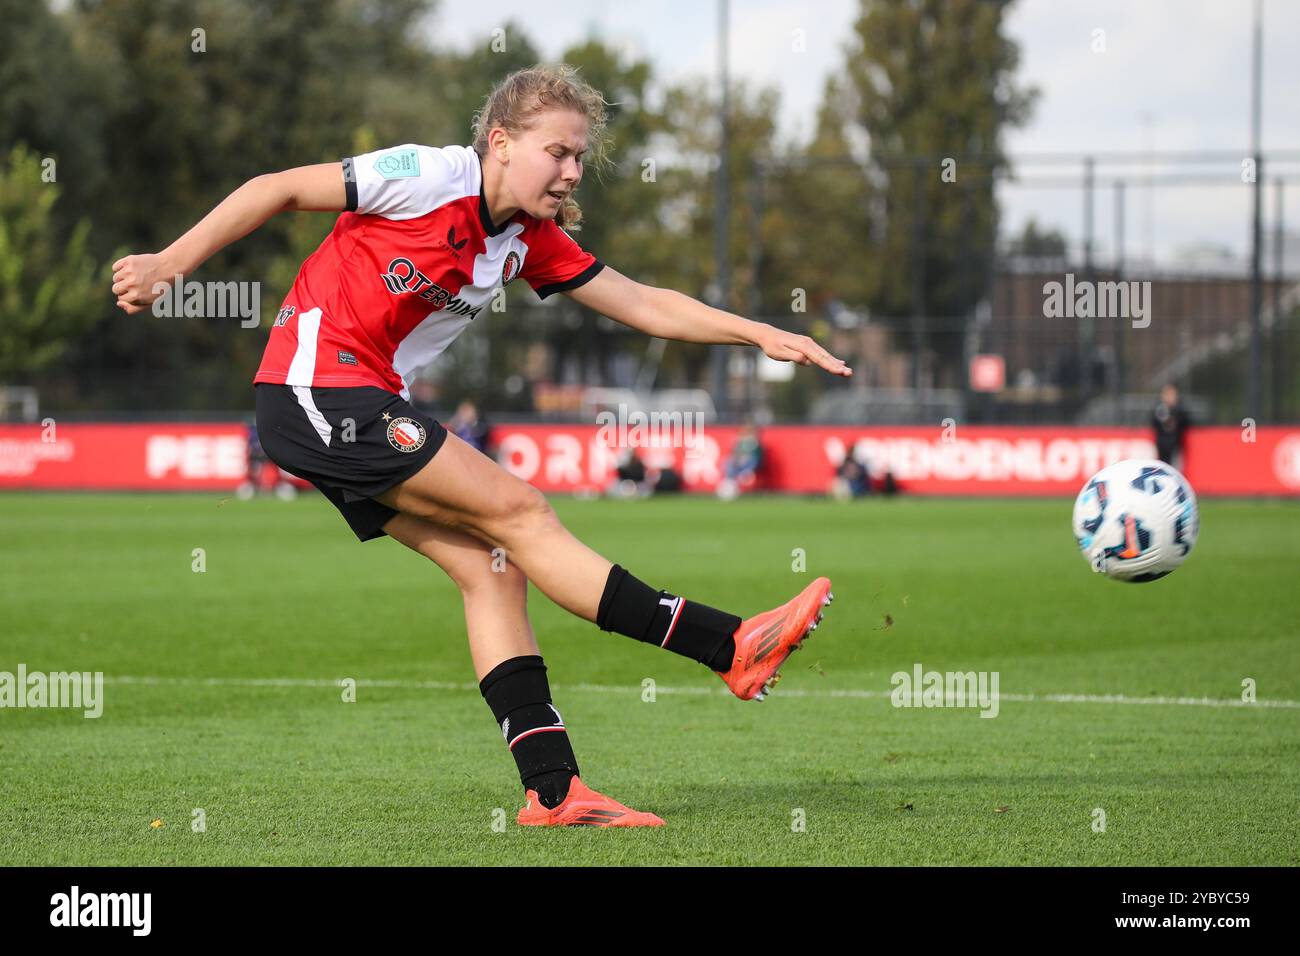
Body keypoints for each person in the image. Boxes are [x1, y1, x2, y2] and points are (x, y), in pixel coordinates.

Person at [110, 64, 850, 829]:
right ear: (500, 142)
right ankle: (726, 644)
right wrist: (173, 263)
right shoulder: (429, 174)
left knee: (493, 571)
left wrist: (759, 332)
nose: (571, 171)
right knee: (521, 511)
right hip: (316, 389)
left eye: (578, 157)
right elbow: (276, 187)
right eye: (557, 152)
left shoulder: (528, 241)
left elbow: (639, 303)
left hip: (350, 404)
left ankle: (554, 792)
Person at [717, 424, 764, 500]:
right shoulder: (740, 442)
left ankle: (744, 474)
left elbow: (757, 458)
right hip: (738, 463)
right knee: (729, 462)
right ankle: (729, 484)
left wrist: (746, 458)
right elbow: (735, 453)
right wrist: (738, 458)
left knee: (749, 461)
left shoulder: (755, 443)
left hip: (750, 463)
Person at [1152, 383, 1191, 472]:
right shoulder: (1159, 409)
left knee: (1175, 470)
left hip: (1175, 445)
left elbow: (1186, 424)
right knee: (1162, 469)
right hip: (1162, 445)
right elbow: (1155, 425)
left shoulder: (1180, 410)